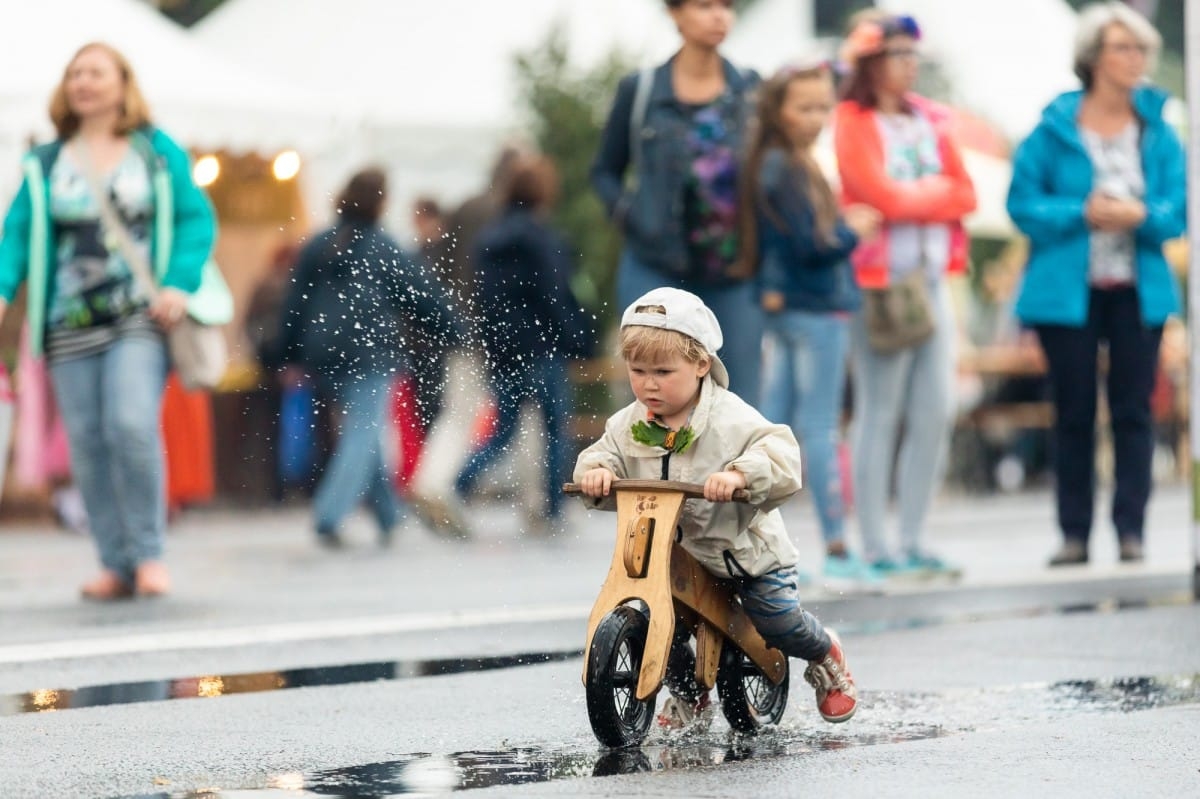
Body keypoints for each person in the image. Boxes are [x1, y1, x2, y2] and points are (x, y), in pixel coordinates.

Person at [574, 287, 857, 727]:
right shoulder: (629, 423)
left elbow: (779, 453)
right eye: (638, 370)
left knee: (776, 619)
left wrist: (740, 474)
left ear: (701, 364)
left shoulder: (730, 418)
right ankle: (691, 696)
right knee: (660, 622)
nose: (649, 383)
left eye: (664, 371)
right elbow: (604, 452)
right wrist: (595, 472)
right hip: (675, 556)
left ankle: (824, 654)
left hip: (745, 552)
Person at [0, 42, 218, 600]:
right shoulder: (46, 162)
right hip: (67, 321)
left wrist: (177, 283)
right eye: (75, 73)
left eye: (96, 72)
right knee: (89, 442)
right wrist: (4, 289)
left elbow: (196, 219)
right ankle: (113, 561)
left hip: (138, 315)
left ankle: (148, 555)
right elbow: (18, 234)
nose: (84, 82)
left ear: (123, 84)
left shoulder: (155, 151)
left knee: (129, 424)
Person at [1007, 2, 1184, 566]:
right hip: (1067, 294)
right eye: (1124, 48)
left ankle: (1131, 531)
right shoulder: (1052, 127)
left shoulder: (1159, 129)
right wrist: (1079, 211)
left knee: (1134, 410)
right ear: (1094, 57)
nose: (1137, 59)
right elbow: (1022, 205)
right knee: (1074, 411)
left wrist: (1141, 215)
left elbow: (1179, 210)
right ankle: (1074, 534)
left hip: (1139, 289)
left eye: (1141, 50)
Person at [833, 13, 977, 576]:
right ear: (871, 60)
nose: (910, 62)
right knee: (879, 410)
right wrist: (930, 194)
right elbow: (878, 195)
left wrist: (913, 197)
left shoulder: (931, 118)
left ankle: (913, 539)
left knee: (935, 409)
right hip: (879, 284)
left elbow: (965, 194)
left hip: (932, 280)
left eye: (914, 52)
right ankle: (876, 546)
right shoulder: (851, 119)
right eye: (898, 52)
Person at [740, 60, 882, 583]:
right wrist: (852, 230)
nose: (816, 117)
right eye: (804, 106)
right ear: (777, 110)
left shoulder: (774, 161)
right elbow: (812, 244)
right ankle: (839, 549)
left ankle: (743, 534)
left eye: (823, 106)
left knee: (770, 427)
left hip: (787, 307)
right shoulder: (786, 164)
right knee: (818, 430)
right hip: (815, 307)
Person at [591, 0, 764, 406]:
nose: (719, 15)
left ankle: (730, 474)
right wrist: (633, 217)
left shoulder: (752, 90)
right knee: (653, 398)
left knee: (737, 401)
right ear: (675, 13)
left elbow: (772, 172)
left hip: (734, 272)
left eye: (727, 6)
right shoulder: (642, 89)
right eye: (705, 5)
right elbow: (604, 171)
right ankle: (650, 473)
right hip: (655, 265)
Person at [276, 168, 460, 548]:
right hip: (369, 353)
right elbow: (421, 295)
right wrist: (455, 330)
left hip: (323, 354)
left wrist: (286, 352)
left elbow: (294, 304)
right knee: (362, 430)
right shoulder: (382, 247)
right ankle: (329, 514)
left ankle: (389, 514)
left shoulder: (319, 244)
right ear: (381, 201)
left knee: (366, 428)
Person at [450, 154, 593, 537]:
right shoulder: (544, 239)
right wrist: (578, 337)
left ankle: (459, 485)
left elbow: (482, 298)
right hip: (542, 347)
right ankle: (552, 509)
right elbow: (555, 294)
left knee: (504, 432)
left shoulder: (487, 242)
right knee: (554, 431)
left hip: (504, 351)